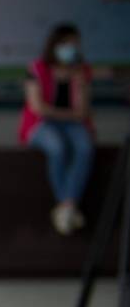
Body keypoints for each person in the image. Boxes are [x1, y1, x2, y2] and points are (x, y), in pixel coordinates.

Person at [20, 22, 95, 235]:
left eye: (75, 44)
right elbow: (37, 108)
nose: (71, 48)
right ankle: (68, 206)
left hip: (72, 123)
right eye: (66, 44)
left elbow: (83, 110)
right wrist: (68, 114)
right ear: (55, 44)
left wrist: (78, 82)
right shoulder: (37, 68)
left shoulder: (81, 71)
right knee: (57, 146)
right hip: (40, 124)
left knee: (85, 146)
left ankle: (66, 206)